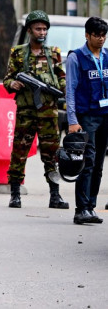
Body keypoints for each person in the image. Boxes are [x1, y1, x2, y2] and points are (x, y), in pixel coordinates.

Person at [1, 11, 67, 209]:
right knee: (19, 153)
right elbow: (7, 78)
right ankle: (15, 194)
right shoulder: (18, 53)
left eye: (45, 29)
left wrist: (59, 89)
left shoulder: (53, 53)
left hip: (48, 113)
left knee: (51, 155)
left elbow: (62, 79)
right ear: (29, 30)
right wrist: (13, 84)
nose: (42, 32)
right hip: (26, 112)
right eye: (38, 28)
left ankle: (55, 195)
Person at [65, 16, 108, 225]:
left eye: (103, 36)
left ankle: (91, 206)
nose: (101, 40)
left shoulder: (107, 56)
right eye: (97, 36)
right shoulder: (76, 58)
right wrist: (72, 120)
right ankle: (81, 209)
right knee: (87, 162)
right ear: (87, 35)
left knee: (99, 163)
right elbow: (70, 91)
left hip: (105, 115)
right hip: (87, 117)